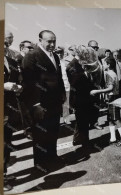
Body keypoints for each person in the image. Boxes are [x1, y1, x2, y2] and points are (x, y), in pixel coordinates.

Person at [22, 30, 66, 172]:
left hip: (55, 102)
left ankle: (52, 157)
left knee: (53, 131)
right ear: (40, 40)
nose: (52, 44)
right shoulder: (32, 56)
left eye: (54, 41)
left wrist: (63, 94)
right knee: (41, 134)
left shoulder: (55, 56)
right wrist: (36, 104)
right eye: (49, 41)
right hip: (40, 103)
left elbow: (58, 77)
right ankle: (40, 164)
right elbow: (29, 82)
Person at [90, 58, 121, 146]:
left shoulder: (110, 74)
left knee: (116, 119)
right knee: (111, 119)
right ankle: (113, 138)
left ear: (108, 65)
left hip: (112, 98)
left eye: (104, 64)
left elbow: (110, 88)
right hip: (111, 97)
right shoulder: (112, 73)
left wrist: (97, 91)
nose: (102, 65)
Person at [66, 45, 100, 147]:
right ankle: (83, 142)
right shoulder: (72, 65)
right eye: (85, 53)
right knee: (81, 121)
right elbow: (75, 82)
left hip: (84, 97)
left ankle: (80, 140)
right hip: (79, 97)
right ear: (78, 53)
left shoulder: (80, 63)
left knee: (83, 120)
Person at [3, 41, 22, 191]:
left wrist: (18, 87)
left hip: (9, 109)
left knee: (6, 143)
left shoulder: (9, 60)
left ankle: (4, 173)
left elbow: (16, 79)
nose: (4, 46)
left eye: (5, 43)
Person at [54, 46, 71, 124]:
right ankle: (56, 120)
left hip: (66, 85)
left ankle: (66, 118)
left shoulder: (65, 62)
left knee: (66, 103)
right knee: (56, 103)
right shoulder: (54, 62)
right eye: (58, 53)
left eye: (61, 52)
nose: (59, 54)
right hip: (56, 86)